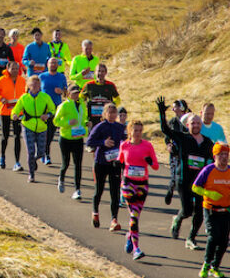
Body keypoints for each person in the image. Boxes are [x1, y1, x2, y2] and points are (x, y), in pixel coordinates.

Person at [157, 97, 214, 250]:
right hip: (183, 180)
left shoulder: (208, 142)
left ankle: (191, 238)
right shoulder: (183, 138)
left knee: (200, 211)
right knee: (188, 210)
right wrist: (162, 113)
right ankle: (178, 219)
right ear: (187, 125)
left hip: (200, 182)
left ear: (201, 125)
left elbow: (213, 159)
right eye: (192, 123)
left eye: (197, 123)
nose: (195, 125)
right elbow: (165, 130)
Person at [192, 143, 230, 278]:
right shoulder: (208, 170)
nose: (224, 157)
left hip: (226, 210)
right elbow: (195, 187)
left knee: (224, 240)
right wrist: (208, 193)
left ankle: (215, 267)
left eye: (226, 154)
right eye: (221, 155)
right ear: (214, 156)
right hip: (210, 209)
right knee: (213, 237)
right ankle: (206, 265)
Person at [120, 120, 159, 260]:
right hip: (128, 183)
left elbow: (156, 166)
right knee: (134, 215)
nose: (137, 133)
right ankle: (137, 249)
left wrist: (149, 162)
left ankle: (130, 235)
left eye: (140, 131)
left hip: (142, 184)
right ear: (130, 131)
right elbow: (120, 162)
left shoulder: (147, 146)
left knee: (135, 216)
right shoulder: (124, 145)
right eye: (135, 130)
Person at [86, 103, 126, 231]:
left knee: (115, 192)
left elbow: (126, 141)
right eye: (110, 112)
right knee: (99, 190)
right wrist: (103, 142)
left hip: (115, 163)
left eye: (114, 112)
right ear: (104, 114)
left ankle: (114, 219)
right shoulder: (100, 127)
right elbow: (89, 142)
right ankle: (95, 213)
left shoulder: (120, 127)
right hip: (101, 162)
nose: (112, 115)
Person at [10, 75, 55, 183]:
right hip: (27, 126)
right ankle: (31, 175)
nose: (35, 86)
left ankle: (33, 160)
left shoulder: (45, 97)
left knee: (41, 152)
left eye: (37, 84)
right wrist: (15, 115)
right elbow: (14, 111)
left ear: (40, 86)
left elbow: (53, 110)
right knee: (30, 151)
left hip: (42, 127)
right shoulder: (24, 98)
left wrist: (47, 115)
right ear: (28, 86)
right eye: (32, 84)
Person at [52, 83, 87, 199]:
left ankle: (77, 190)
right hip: (66, 138)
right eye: (74, 93)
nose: (76, 95)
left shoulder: (82, 104)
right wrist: (67, 123)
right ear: (69, 94)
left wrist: (87, 124)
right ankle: (61, 178)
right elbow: (55, 121)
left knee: (78, 165)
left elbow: (84, 118)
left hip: (78, 138)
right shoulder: (64, 106)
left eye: (77, 93)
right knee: (66, 163)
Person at [0, 61, 26, 171]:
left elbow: (26, 94)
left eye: (17, 68)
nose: (15, 70)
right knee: (5, 136)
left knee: (17, 136)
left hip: (18, 113)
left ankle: (17, 162)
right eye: (13, 68)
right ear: (8, 68)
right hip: (5, 111)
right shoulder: (1, 80)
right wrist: (1, 98)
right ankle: (2, 157)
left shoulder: (22, 80)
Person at [38, 57, 67, 165]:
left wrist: (61, 92)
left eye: (55, 63)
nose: (53, 65)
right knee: (43, 131)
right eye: (51, 63)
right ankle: (46, 154)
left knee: (51, 132)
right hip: (43, 108)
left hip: (56, 108)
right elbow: (36, 91)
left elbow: (66, 93)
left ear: (58, 65)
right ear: (47, 64)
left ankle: (45, 151)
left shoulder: (61, 77)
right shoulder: (42, 76)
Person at [164, 99, 190, 205]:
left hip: (186, 153)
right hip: (174, 153)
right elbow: (167, 138)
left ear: (182, 108)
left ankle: (186, 200)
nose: (173, 109)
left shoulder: (189, 120)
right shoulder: (172, 122)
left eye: (176, 106)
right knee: (174, 175)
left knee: (186, 178)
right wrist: (168, 145)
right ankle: (170, 190)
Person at [80, 63, 120, 130]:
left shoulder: (110, 85)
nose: (100, 73)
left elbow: (118, 99)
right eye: (98, 71)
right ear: (95, 72)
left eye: (102, 71)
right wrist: (85, 107)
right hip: (92, 117)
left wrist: (112, 105)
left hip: (106, 117)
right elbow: (80, 98)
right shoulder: (89, 85)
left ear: (106, 73)